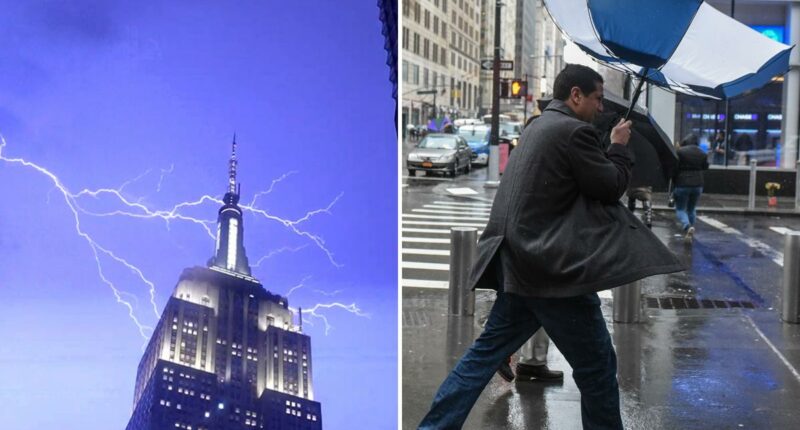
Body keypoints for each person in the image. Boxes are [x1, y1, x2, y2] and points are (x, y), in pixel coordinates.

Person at [418, 64, 683, 430]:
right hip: (553, 271)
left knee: (480, 358)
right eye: (596, 99)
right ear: (575, 95)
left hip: (523, 264)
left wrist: (604, 146)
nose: (600, 108)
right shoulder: (573, 133)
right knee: (597, 367)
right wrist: (619, 148)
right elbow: (608, 186)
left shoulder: (539, 126)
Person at [673, 134, 709, 243]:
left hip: (682, 183)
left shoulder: (680, 152)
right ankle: (691, 229)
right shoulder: (702, 153)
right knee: (691, 208)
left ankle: (687, 226)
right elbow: (705, 167)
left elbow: (675, 166)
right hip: (698, 184)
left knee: (680, 209)